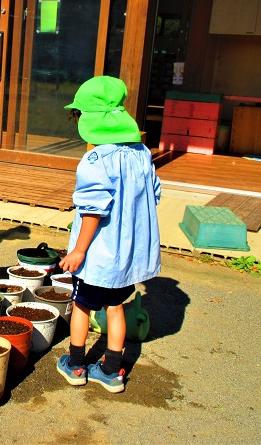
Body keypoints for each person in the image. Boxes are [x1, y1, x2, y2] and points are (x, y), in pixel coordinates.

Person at [56, 76, 161, 393]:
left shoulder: (95, 160)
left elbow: (93, 210)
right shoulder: (142, 153)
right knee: (116, 308)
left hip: (98, 255)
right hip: (125, 255)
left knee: (82, 306)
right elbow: (154, 195)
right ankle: (112, 371)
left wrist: (78, 250)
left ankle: (76, 365)